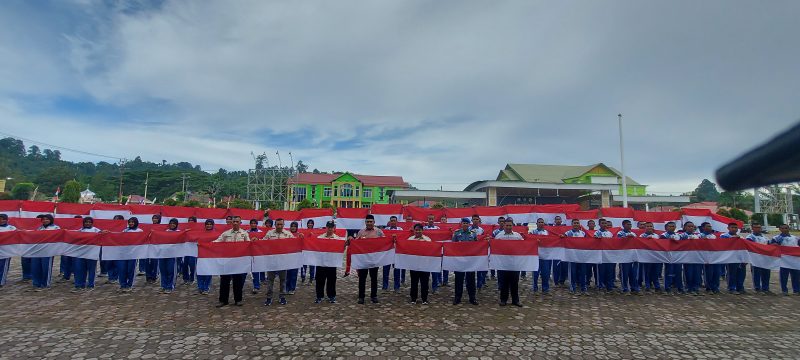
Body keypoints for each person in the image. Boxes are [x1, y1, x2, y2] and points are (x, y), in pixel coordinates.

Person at [214, 216, 251, 308]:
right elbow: (217, 241)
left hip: (239, 261)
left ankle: (238, 300)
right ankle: (223, 300)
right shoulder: (225, 233)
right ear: (231, 222)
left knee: (238, 281)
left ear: (240, 223)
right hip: (227, 261)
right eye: (233, 221)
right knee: (224, 281)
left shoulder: (244, 234)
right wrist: (205, 244)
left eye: (237, 221)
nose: (235, 223)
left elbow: (249, 245)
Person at [350, 214, 385, 304]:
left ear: (374, 222)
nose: (369, 223)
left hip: (374, 259)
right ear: (365, 222)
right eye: (367, 222)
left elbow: (385, 242)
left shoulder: (379, 232)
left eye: (371, 222)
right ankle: (361, 297)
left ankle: (374, 296)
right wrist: (351, 240)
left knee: (374, 278)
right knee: (362, 279)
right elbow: (356, 243)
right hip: (363, 259)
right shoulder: (361, 232)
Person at [262, 218, 293, 306]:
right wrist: (257, 241)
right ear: (275, 225)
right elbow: (263, 243)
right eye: (278, 224)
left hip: (283, 260)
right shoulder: (270, 233)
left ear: (283, 225)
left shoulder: (288, 234)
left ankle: (282, 296)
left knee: (283, 279)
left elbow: (294, 243)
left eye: (281, 224)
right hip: (272, 260)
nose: (279, 226)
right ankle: (269, 297)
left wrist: (301, 238)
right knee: (270, 279)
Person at [494, 218, 524, 306]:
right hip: (503, 263)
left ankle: (515, 300)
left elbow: (524, 246)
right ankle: (503, 299)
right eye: (506, 225)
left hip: (514, 263)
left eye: (510, 225)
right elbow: (495, 247)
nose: (508, 227)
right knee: (503, 282)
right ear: (504, 226)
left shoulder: (518, 236)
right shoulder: (499, 236)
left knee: (514, 282)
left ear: (512, 226)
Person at [314, 221, 345, 304]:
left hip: (332, 263)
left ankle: (331, 296)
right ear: (326, 227)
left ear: (334, 228)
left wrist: (346, 243)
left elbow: (342, 248)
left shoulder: (337, 239)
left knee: (331, 280)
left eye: (331, 227)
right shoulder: (320, 238)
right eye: (328, 227)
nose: (330, 229)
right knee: (320, 280)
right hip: (321, 262)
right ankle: (319, 296)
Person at [29, 214, 60, 292]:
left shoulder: (56, 228)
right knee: (35, 267)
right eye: (43, 219)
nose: (45, 220)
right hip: (37, 251)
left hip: (48, 251)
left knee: (46, 268)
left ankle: (45, 284)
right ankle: (36, 283)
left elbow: (57, 238)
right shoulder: (39, 228)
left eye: (47, 219)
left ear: (51, 220)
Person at [452, 218, 479, 306]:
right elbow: (452, 246)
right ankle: (457, 297)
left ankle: (472, 298)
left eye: (467, 223)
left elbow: (477, 246)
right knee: (458, 280)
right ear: (461, 224)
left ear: (469, 224)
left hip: (470, 261)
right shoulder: (456, 233)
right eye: (464, 223)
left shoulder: (473, 234)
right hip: (459, 260)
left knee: (471, 280)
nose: (465, 225)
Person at [73, 217, 102, 293]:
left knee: (91, 270)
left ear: (92, 223)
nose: (88, 223)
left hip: (92, 254)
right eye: (86, 222)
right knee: (79, 269)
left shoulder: (96, 230)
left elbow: (102, 236)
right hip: (80, 254)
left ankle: (91, 284)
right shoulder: (80, 231)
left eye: (89, 222)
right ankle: (79, 285)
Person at [771, 224, 799, 295]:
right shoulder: (776, 238)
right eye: (782, 228)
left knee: (796, 276)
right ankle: (784, 290)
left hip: (794, 260)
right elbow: (771, 246)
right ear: (780, 229)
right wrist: (776, 244)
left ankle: (796, 290)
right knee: (784, 276)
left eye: (786, 228)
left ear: (788, 228)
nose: (784, 230)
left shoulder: (795, 238)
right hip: (783, 260)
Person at [407, 224, 432, 304]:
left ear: (422, 230)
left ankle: (424, 299)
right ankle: (413, 298)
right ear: (414, 231)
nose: (417, 231)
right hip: (414, 264)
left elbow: (431, 250)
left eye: (419, 230)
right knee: (414, 282)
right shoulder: (410, 239)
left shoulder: (427, 239)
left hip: (425, 264)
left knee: (425, 282)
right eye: (416, 230)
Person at [118, 217, 143, 293]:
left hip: (133, 254)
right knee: (122, 269)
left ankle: (129, 285)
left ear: (136, 222)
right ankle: (122, 285)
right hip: (124, 253)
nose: (131, 223)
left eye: (133, 222)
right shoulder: (125, 231)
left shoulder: (140, 231)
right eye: (130, 222)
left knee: (130, 270)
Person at [564, 219, 588, 295]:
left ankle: (583, 288)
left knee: (583, 272)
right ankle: (572, 287)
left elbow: (588, 242)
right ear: (572, 224)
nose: (576, 224)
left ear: (579, 224)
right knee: (572, 272)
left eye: (577, 223)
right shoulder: (568, 233)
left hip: (581, 256)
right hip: (572, 256)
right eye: (575, 223)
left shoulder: (583, 233)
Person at [745, 223, 771, 294]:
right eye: (756, 227)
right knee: (756, 273)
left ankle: (766, 288)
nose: (758, 229)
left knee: (766, 273)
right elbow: (750, 247)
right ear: (752, 228)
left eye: (759, 227)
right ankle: (757, 288)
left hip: (765, 258)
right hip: (755, 259)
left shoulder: (765, 237)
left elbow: (769, 246)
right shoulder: (750, 237)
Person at [720, 223, 745, 294]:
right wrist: (734, 239)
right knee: (732, 273)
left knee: (741, 273)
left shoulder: (741, 237)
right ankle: (731, 288)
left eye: (735, 228)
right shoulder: (724, 236)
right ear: (728, 228)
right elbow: (724, 245)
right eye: (732, 227)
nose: (734, 229)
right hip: (730, 258)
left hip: (739, 258)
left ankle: (740, 287)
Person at [679, 222, 703, 295]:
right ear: (685, 227)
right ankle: (689, 287)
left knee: (697, 273)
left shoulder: (698, 236)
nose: (691, 228)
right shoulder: (681, 236)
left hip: (696, 257)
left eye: (692, 226)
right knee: (688, 273)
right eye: (689, 226)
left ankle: (696, 288)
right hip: (687, 257)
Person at [617, 220, 640, 295]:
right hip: (624, 256)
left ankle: (634, 288)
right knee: (625, 274)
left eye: (630, 224)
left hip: (633, 256)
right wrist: (626, 237)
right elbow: (618, 242)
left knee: (633, 273)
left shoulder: (633, 233)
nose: (629, 225)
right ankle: (625, 289)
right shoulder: (620, 233)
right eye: (628, 224)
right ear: (623, 225)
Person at [157, 218, 180, 294]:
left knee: (171, 270)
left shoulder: (179, 232)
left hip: (172, 255)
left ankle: (170, 286)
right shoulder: (165, 232)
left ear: (176, 225)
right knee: (163, 271)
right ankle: (163, 285)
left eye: (174, 223)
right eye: (171, 223)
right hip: (163, 254)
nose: (172, 225)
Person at [529, 218, 551, 295]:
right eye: (539, 222)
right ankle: (535, 288)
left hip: (545, 256)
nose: (541, 223)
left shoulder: (547, 232)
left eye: (542, 222)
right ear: (536, 223)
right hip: (536, 256)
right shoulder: (532, 232)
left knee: (546, 273)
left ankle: (545, 289)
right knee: (535, 274)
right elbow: (528, 241)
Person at [383, 216, 405, 292]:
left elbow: (403, 240)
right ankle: (385, 286)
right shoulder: (385, 230)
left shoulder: (400, 230)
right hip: (387, 253)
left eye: (394, 221)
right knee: (385, 271)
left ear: (396, 222)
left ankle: (397, 287)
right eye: (391, 221)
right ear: (390, 222)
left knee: (397, 270)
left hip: (396, 253)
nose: (393, 222)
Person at [699, 222, 721, 294]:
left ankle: (716, 287)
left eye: (710, 226)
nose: (710, 227)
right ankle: (709, 287)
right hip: (706, 257)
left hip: (715, 257)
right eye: (708, 226)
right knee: (709, 273)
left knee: (717, 273)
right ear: (703, 228)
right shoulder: (700, 236)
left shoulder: (714, 236)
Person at [195, 219, 216, 295]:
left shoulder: (216, 234)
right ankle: (200, 287)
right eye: (207, 224)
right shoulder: (200, 233)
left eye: (210, 224)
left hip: (210, 256)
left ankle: (206, 287)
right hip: (200, 255)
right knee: (200, 271)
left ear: (213, 225)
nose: (209, 225)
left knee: (208, 272)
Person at [139, 214, 161, 282]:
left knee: (155, 262)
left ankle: (154, 276)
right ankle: (148, 276)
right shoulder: (149, 227)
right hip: (148, 246)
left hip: (156, 247)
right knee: (147, 262)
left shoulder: (161, 227)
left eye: (156, 218)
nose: (154, 219)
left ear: (159, 219)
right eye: (153, 218)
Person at [660, 222, 681, 294]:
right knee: (668, 272)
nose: (671, 227)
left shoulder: (678, 236)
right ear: (666, 228)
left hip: (677, 257)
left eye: (673, 226)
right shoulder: (663, 235)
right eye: (670, 226)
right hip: (668, 257)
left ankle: (678, 286)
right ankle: (667, 287)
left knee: (678, 272)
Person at [247, 219, 265, 294]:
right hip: (248, 253)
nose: (253, 224)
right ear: (250, 224)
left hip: (257, 254)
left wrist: (258, 239)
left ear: (257, 224)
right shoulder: (246, 232)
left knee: (255, 270)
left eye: (255, 223)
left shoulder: (261, 232)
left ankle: (256, 286)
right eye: (252, 223)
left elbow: (264, 242)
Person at [0, 214, 17, 288]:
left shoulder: (12, 228)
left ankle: (1, 281)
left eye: (3, 219)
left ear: (7, 220)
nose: (2, 221)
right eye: (0, 219)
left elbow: (18, 236)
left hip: (6, 250)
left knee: (3, 266)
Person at [285, 221, 301, 294]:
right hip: (287, 257)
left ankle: (292, 288)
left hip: (296, 257)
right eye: (292, 226)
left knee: (294, 274)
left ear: (297, 227)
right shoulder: (286, 234)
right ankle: (286, 288)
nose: (293, 227)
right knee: (287, 274)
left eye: (295, 226)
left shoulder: (299, 235)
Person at [301, 219, 316, 285]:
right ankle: (303, 278)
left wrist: (313, 235)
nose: (310, 224)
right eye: (309, 223)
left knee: (312, 266)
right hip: (305, 251)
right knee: (303, 266)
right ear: (307, 224)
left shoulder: (316, 231)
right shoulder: (304, 231)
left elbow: (317, 240)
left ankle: (311, 279)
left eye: (311, 223)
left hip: (312, 251)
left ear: (313, 224)